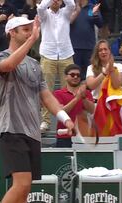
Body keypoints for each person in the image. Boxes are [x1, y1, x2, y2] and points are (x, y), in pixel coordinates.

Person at [0, 16, 74, 203]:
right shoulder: (0, 56)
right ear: (12, 33)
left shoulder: (35, 65)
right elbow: (9, 65)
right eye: (25, 30)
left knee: (25, 188)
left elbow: (46, 96)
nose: (31, 33)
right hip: (11, 128)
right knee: (21, 184)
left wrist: (65, 118)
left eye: (31, 29)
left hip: (32, 131)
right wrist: (31, 41)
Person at [37, 0, 76, 132]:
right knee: (45, 88)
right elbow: (41, 7)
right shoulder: (44, 14)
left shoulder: (66, 13)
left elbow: (72, 5)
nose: (55, 1)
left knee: (69, 89)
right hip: (48, 54)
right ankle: (45, 121)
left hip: (66, 53)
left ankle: (68, 118)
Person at [86, 39, 122, 136]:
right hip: (96, 107)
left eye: (105, 49)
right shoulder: (91, 68)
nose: (103, 52)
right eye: (100, 50)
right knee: (97, 137)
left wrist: (111, 68)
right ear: (97, 53)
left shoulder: (119, 66)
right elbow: (91, 85)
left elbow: (116, 84)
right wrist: (104, 72)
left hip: (113, 107)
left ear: (110, 51)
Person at [53, 64, 95, 147]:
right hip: (64, 136)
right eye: (72, 75)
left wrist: (83, 98)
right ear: (65, 77)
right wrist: (77, 98)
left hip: (83, 135)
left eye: (78, 75)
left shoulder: (86, 93)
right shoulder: (58, 93)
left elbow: (92, 110)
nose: (75, 77)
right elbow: (61, 113)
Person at [70, 0, 103, 80]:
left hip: (89, 47)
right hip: (74, 47)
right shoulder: (70, 8)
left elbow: (100, 24)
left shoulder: (92, 8)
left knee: (90, 74)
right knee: (75, 75)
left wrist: (95, 14)